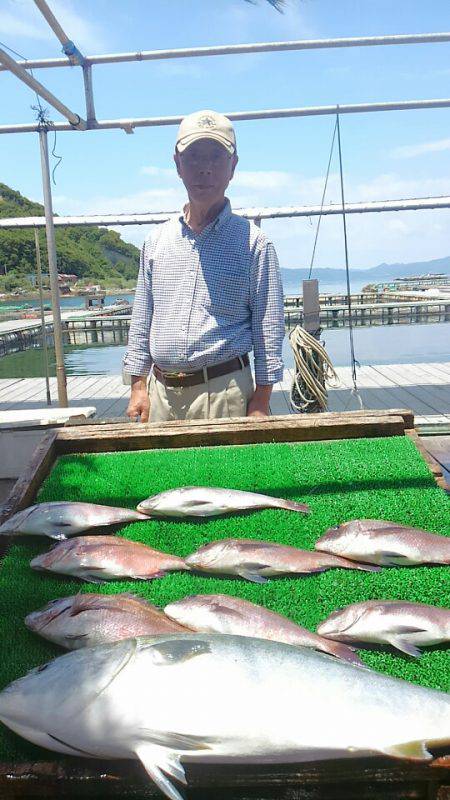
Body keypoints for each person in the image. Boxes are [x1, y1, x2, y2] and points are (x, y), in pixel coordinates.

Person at [123, 109, 285, 423]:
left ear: (233, 167)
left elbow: (269, 329)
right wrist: (138, 385)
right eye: (194, 157)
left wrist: (261, 403)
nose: (204, 169)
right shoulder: (156, 240)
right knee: (162, 474)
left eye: (216, 157)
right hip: (160, 394)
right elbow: (142, 318)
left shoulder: (255, 243)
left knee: (228, 475)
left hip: (224, 393)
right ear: (178, 165)